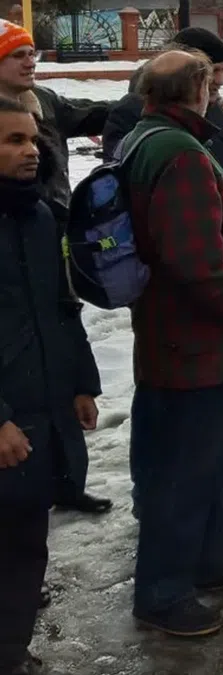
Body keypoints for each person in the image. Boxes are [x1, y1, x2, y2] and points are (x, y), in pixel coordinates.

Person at [125, 50, 223, 636]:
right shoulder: (181, 154)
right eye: (212, 83)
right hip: (195, 341)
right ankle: (162, 592)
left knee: (215, 452)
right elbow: (195, 262)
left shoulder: (148, 138)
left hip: (180, 337)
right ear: (195, 92)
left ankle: (222, 557)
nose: (218, 90)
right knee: (183, 469)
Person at [0, 95, 101, 675]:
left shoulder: (41, 217)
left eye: (33, 139)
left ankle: (10, 652)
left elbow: (62, 308)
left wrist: (81, 384)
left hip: (41, 406)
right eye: (13, 140)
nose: (31, 151)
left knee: (25, 542)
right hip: (6, 414)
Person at [1, 18, 111, 515]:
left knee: (57, 336)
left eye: (32, 53)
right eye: (17, 54)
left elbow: (94, 114)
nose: (30, 61)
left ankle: (67, 482)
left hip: (47, 230)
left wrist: (142, 102)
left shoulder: (45, 102)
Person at [102, 27, 223, 196]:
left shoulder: (215, 109)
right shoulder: (131, 112)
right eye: (214, 71)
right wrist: (220, 200)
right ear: (185, 70)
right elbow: (124, 185)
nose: (221, 80)